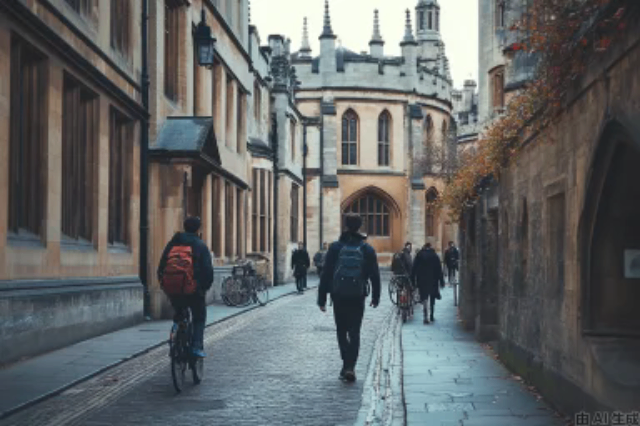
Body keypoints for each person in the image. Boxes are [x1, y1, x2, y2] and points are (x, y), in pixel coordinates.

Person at [318, 214, 381, 383]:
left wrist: (321, 298)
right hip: (357, 295)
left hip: (338, 295)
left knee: (341, 330)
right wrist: (376, 296)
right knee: (355, 331)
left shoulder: (336, 247)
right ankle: (350, 366)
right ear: (360, 226)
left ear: (345, 225)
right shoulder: (367, 249)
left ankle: (346, 363)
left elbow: (326, 273)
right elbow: (375, 274)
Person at [157, 216, 214, 357]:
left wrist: (166, 286)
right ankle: (196, 347)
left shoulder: (172, 244)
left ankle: (176, 333)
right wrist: (203, 288)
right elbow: (208, 271)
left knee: (179, 313)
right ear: (198, 229)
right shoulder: (200, 245)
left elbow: (161, 268)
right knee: (199, 317)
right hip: (193, 290)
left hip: (174, 290)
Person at [411, 242, 444, 324]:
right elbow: (439, 269)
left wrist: (412, 279)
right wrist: (441, 280)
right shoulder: (435, 255)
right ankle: (432, 315)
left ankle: (425, 315)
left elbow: (414, 268)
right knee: (432, 297)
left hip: (422, 279)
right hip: (433, 280)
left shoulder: (419, 255)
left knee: (424, 297)